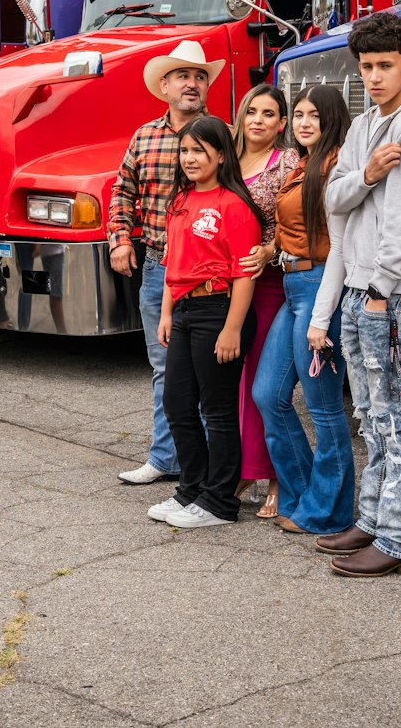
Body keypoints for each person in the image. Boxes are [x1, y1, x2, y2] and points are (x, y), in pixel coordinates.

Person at [311, 12, 401, 578]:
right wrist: (367, 172)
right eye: (366, 66)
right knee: (369, 412)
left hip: (389, 293)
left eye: (385, 66)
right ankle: (371, 521)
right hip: (357, 286)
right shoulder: (366, 127)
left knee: (399, 414)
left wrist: (380, 289)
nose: (373, 76)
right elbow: (333, 199)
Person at [109, 40, 223, 485]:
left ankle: (211, 466)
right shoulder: (145, 136)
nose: (192, 83)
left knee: (209, 369)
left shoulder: (221, 133)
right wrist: (120, 241)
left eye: (199, 76)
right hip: (157, 267)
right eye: (183, 76)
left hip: (208, 273)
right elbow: (122, 191)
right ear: (164, 85)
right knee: (164, 367)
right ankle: (164, 458)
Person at [147, 115, 263, 529]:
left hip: (219, 312)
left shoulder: (234, 204)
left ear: (220, 153)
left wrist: (233, 327)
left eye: (199, 150)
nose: (190, 158)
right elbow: (171, 262)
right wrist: (165, 312)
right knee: (177, 404)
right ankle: (191, 491)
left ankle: (219, 502)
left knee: (217, 411)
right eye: (184, 151)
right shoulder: (181, 201)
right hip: (184, 312)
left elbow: (244, 272)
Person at [253, 85, 355, 537]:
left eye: (314, 115)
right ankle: (299, 496)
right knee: (267, 395)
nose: (304, 122)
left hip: (320, 287)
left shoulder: (335, 167)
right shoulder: (302, 165)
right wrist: (270, 246)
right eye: (298, 115)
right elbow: (294, 227)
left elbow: (341, 245)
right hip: (293, 281)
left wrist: (323, 312)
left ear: (332, 119)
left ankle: (329, 510)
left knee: (324, 406)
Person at [231, 84, 297, 518]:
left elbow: (299, 217)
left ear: (282, 123)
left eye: (268, 113)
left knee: (265, 383)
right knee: (232, 381)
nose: (258, 119)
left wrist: (271, 249)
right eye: (251, 111)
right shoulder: (228, 157)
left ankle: (275, 476)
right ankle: (241, 468)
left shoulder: (287, 162)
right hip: (228, 282)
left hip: (269, 281)